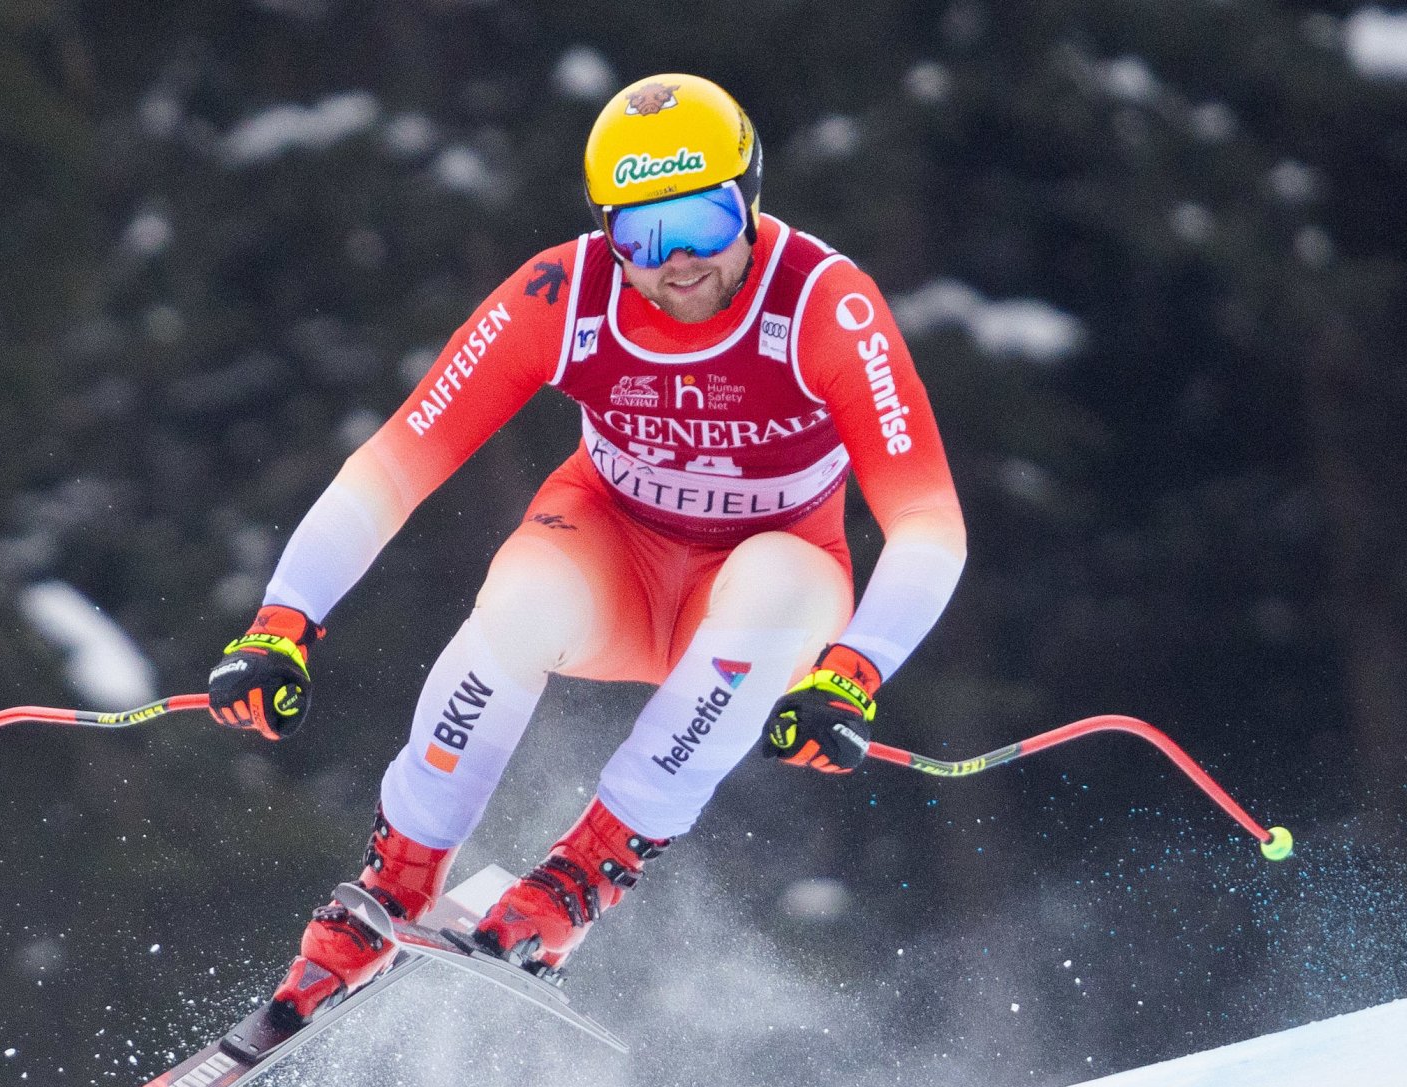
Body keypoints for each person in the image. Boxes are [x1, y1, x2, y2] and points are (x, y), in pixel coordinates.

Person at [207, 74, 966, 1031]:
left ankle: (583, 874)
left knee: (774, 584)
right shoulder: (563, 295)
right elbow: (395, 463)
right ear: (607, 230)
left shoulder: (823, 304)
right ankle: (395, 880)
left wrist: (854, 671)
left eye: (704, 221)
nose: (678, 261)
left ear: (751, 199)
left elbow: (930, 524)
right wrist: (284, 619)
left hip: (764, 583)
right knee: (518, 602)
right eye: (643, 234)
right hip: (612, 559)